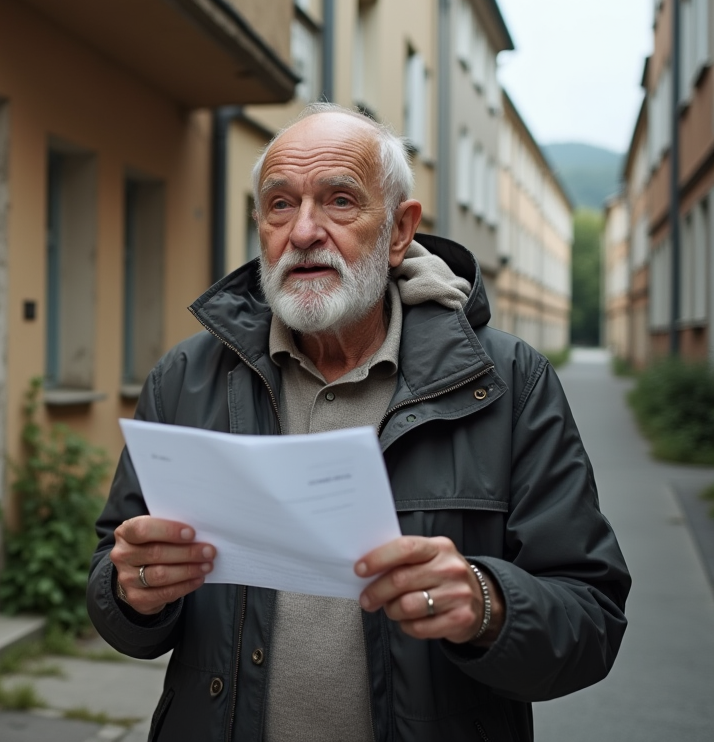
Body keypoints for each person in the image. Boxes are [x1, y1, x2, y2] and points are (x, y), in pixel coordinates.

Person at [86, 103, 630, 741]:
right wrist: (134, 592)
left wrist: (487, 604)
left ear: (400, 230)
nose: (305, 231)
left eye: (340, 201)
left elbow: (591, 618)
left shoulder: (507, 382)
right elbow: (114, 580)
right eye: (280, 205)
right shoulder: (186, 378)